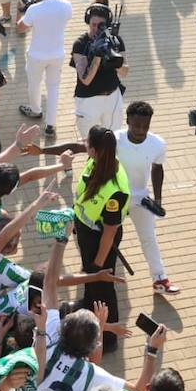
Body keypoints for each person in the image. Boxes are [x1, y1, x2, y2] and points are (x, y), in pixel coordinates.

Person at [72, 127, 129, 350]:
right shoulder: (99, 161)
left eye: (87, 143)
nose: (84, 144)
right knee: (91, 281)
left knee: (102, 287)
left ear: (95, 150)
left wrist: (98, 265)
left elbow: (110, 231)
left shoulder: (115, 190)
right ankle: (89, 308)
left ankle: (108, 338)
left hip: (100, 242)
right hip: (88, 234)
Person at [116, 101, 177, 295]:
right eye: (136, 125)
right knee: (107, 238)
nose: (141, 130)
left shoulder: (157, 144)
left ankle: (160, 279)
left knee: (149, 237)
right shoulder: (114, 139)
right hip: (114, 198)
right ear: (127, 121)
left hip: (141, 198)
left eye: (145, 126)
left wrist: (158, 200)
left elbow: (157, 169)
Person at [18, 0, 74, 137]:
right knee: (53, 87)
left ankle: (35, 110)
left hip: (37, 55)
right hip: (57, 54)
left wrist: (23, 10)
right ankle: (51, 125)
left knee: (34, 84)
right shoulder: (66, 6)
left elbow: (21, 28)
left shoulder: (34, 9)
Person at [71, 1, 127, 138]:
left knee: (113, 139)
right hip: (88, 101)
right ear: (88, 22)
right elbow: (86, 80)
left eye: (101, 25)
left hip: (112, 97)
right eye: (93, 25)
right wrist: (97, 55)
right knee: (89, 143)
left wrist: (113, 56)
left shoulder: (115, 40)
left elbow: (125, 72)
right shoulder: (80, 44)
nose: (96, 29)